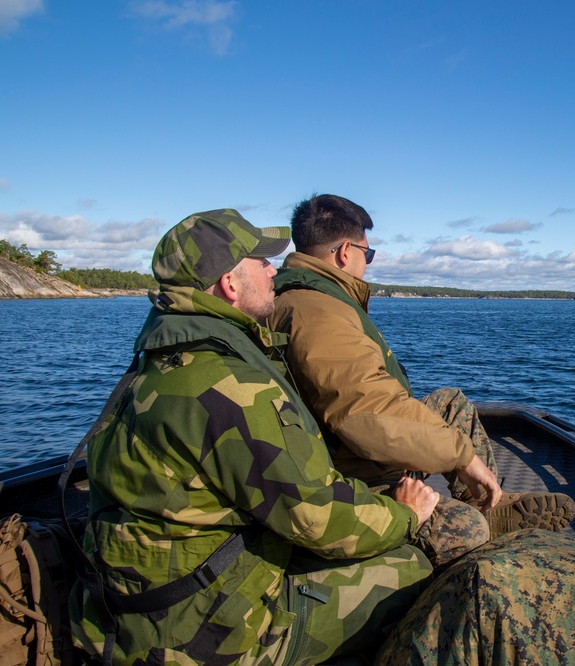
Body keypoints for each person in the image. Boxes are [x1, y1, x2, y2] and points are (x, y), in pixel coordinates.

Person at [71, 209, 438, 666]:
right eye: (261, 263)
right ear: (229, 284)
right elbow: (317, 520)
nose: (273, 271)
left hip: (127, 615)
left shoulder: (159, 359)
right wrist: (404, 515)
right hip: (202, 638)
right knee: (412, 570)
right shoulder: (228, 386)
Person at [269, 194, 575, 544]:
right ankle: (480, 525)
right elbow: (365, 416)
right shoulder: (319, 313)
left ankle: (488, 502)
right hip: (354, 469)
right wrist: (463, 457)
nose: (368, 263)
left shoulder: (306, 296)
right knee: (466, 530)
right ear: (345, 252)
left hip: (349, 446)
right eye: (367, 254)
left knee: (450, 403)